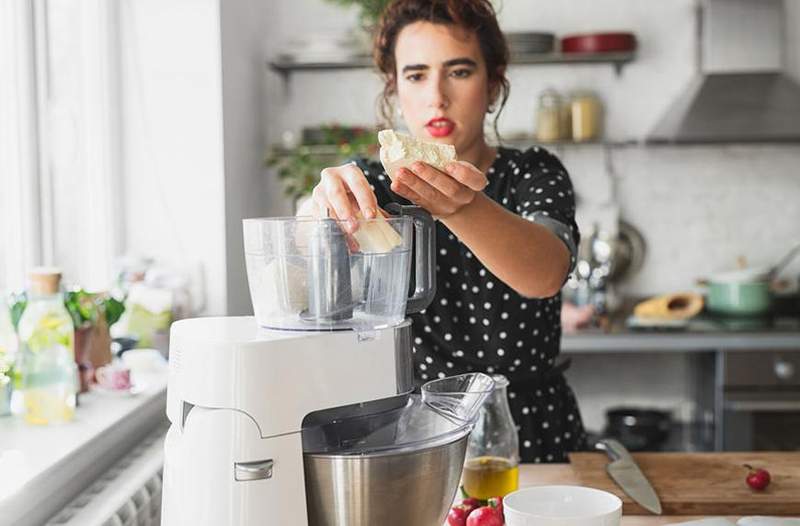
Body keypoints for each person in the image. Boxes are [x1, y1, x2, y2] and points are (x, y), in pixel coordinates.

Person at [301, 0, 587, 463]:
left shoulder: (532, 173)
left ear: (492, 84)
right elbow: (301, 279)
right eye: (416, 75)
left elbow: (546, 272)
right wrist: (313, 212)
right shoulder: (372, 187)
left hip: (531, 433)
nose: (436, 95)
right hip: (412, 434)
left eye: (458, 72)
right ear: (395, 89)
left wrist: (461, 205)